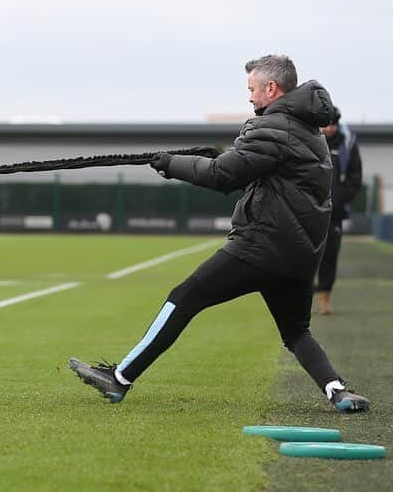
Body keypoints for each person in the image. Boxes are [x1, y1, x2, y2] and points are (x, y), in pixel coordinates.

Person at [69, 54, 370, 413]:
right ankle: (337, 391)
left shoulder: (273, 127)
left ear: (271, 88)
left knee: (184, 298)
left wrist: (169, 164)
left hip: (260, 246)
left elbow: (221, 176)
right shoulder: (308, 130)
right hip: (300, 255)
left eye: (252, 89)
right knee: (296, 332)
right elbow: (257, 165)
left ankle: (118, 378)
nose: (250, 97)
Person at [314, 107, 362, 315]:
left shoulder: (348, 145)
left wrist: (339, 199)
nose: (329, 129)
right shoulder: (309, 141)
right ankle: (301, 298)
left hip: (335, 212)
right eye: (325, 124)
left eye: (332, 124)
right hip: (307, 211)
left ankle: (325, 296)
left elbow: (355, 178)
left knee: (330, 255)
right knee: (304, 255)